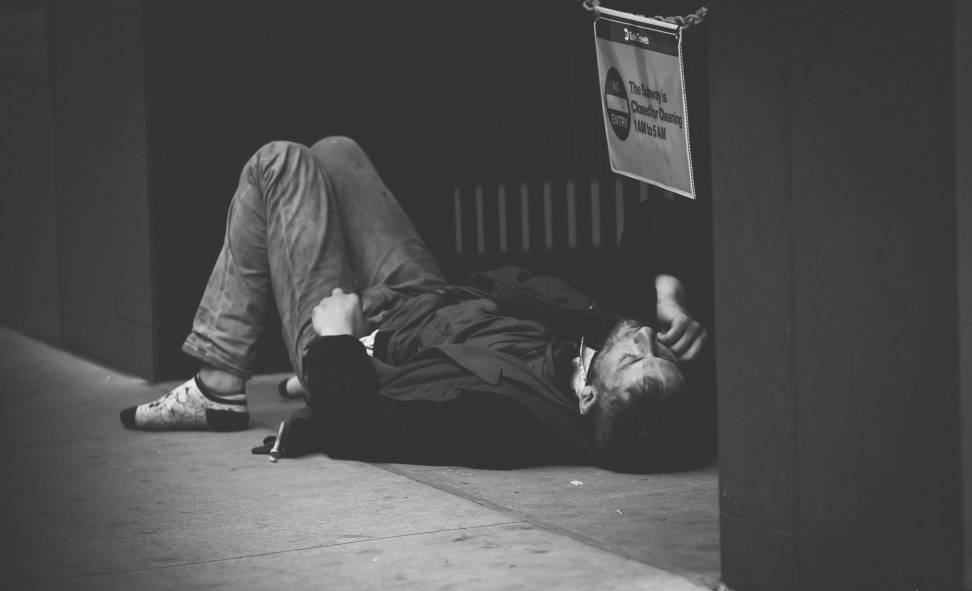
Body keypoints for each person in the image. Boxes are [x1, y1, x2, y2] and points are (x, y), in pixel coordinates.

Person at [120, 137, 709, 472]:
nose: (645, 341)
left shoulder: (504, 426)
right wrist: (669, 296)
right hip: (429, 297)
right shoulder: (609, 355)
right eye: (659, 354)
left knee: (279, 163)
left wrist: (337, 340)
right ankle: (222, 379)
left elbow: (360, 428)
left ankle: (219, 381)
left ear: (588, 397)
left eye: (634, 358)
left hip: (356, 339)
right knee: (337, 153)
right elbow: (651, 236)